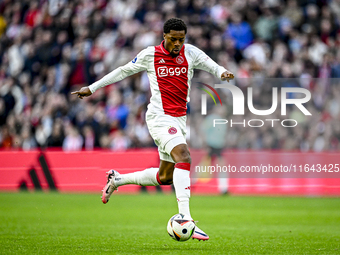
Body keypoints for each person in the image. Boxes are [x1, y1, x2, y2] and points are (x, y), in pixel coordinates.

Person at [71, 18, 234, 241]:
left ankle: (117, 180)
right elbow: (122, 71)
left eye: (181, 39)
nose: (178, 44)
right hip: (159, 118)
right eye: (174, 39)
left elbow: (211, 65)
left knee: (166, 176)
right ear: (164, 36)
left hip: (178, 120)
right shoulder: (150, 54)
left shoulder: (191, 53)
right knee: (184, 157)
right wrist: (92, 88)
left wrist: (222, 72)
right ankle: (185, 218)